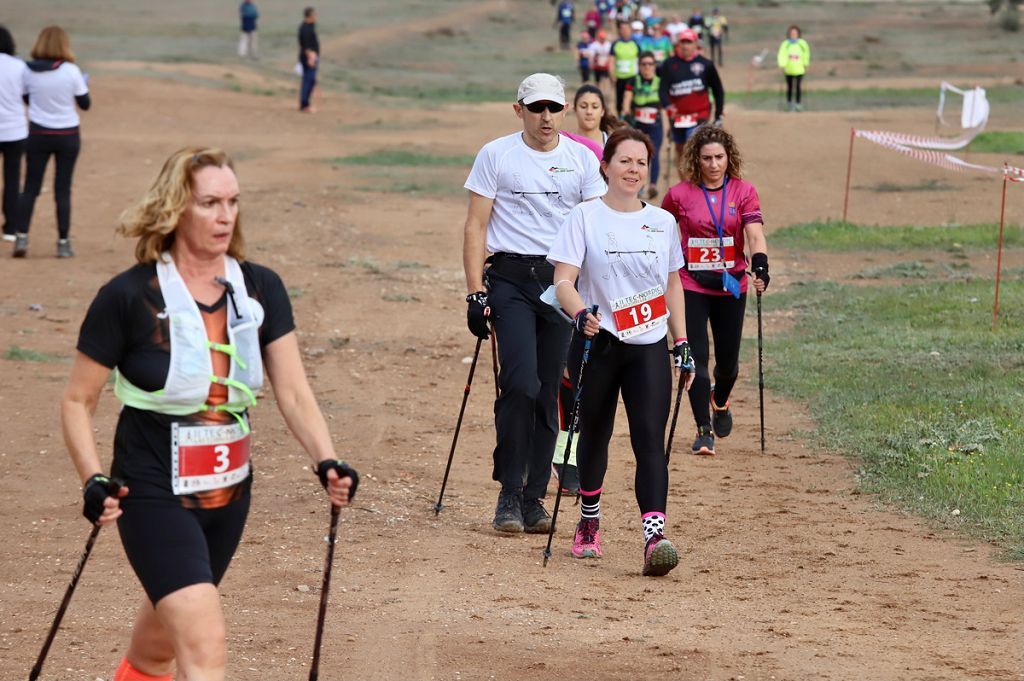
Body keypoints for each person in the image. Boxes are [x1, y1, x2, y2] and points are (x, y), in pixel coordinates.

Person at [62, 147, 358, 681]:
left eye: (233, 202)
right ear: (176, 209)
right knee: (205, 646)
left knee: (156, 650)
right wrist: (92, 478)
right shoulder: (129, 296)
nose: (225, 216)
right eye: (209, 203)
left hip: (227, 491)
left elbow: (293, 392)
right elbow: (77, 401)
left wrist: (327, 460)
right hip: (150, 490)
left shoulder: (260, 287)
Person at [462, 73, 605, 534]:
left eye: (554, 108)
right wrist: (474, 292)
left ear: (563, 111)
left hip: (560, 284)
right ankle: (509, 490)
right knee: (519, 384)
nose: (546, 117)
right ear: (518, 108)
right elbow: (474, 227)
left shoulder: (581, 160)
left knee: (548, 391)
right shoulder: (496, 154)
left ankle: (534, 497)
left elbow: (596, 230)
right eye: (537, 107)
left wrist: (595, 296)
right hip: (510, 279)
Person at [548, 126, 694, 576]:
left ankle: (655, 538)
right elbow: (564, 280)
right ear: (606, 166)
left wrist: (682, 341)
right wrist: (580, 314)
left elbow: (672, 283)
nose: (633, 170)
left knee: (649, 440)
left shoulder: (663, 222)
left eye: (640, 162)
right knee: (595, 435)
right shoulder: (585, 216)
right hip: (599, 342)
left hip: (649, 345)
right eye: (625, 161)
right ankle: (589, 521)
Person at [660, 125, 769, 456]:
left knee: (728, 365)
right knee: (695, 357)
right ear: (696, 159)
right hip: (690, 283)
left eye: (719, 157)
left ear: (728, 157)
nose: (713, 164)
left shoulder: (743, 191)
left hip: (730, 283)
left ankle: (719, 400)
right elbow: (661, 232)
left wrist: (761, 264)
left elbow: (754, 234)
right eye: (706, 158)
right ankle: (703, 430)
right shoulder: (678, 195)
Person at [13, 26, 89, 259]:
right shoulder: (71, 71)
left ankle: (22, 238)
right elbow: (85, 104)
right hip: (67, 136)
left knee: (31, 188)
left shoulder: (28, 71)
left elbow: (25, 98)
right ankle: (63, 243)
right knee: (62, 189)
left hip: (38, 134)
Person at [659, 28, 724, 178]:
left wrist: (719, 113)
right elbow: (662, 90)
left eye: (689, 42)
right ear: (678, 44)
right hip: (678, 118)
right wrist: (668, 105)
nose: (685, 45)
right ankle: (684, 185)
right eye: (683, 42)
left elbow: (718, 90)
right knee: (680, 150)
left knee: (693, 148)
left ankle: (698, 184)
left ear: (695, 44)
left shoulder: (705, 65)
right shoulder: (669, 64)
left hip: (699, 116)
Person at [622, 51, 663, 199]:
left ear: (654, 66)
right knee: (638, 155)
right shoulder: (633, 80)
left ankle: (653, 186)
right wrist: (625, 111)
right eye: (644, 64)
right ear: (639, 66)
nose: (647, 67)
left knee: (655, 153)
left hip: (655, 123)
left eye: (650, 64)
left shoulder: (660, 81)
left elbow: (666, 102)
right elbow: (627, 98)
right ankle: (639, 185)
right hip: (638, 123)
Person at [0, 26, 26, 243]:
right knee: (12, 180)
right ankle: (10, 229)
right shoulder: (19, 66)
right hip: (15, 131)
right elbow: (28, 96)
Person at [565, 83, 621, 158]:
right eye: (583, 106)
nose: (589, 112)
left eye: (595, 107)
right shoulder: (566, 144)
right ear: (575, 110)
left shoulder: (613, 145)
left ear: (602, 111)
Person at [608, 20, 640, 116]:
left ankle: (632, 120)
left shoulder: (635, 44)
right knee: (619, 101)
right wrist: (612, 75)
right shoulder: (615, 44)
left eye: (627, 29)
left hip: (632, 76)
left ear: (630, 30)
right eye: (623, 29)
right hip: (620, 77)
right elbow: (611, 61)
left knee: (632, 101)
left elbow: (641, 60)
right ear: (620, 31)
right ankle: (620, 119)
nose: (625, 31)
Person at [777, 25, 810, 112]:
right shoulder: (785, 44)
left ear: (798, 34)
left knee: (798, 87)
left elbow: (806, 54)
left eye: (795, 33)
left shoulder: (802, 43)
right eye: (792, 33)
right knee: (790, 87)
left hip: (799, 68)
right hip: (788, 69)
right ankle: (789, 104)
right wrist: (782, 65)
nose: (793, 34)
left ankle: (798, 104)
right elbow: (782, 54)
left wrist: (805, 64)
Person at [298, 7, 319, 113]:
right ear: (310, 16)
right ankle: (304, 105)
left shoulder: (309, 26)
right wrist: (310, 58)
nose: (316, 17)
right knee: (309, 80)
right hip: (309, 57)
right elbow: (306, 46)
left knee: (310, 80)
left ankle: (305, 103)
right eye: (314, 15)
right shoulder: (305, 28)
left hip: (311, 56)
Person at [589, 29, 613, 98]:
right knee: (597, 81)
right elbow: (591, 56)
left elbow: (611, 56)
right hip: (597, 66)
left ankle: (606, 94)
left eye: (603, 38)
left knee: (606, 80)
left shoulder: (608, 45)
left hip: (606, 66)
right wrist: (591, 64)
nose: (602, 39)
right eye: (601, 38)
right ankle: (598, 93)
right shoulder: (594, 45)